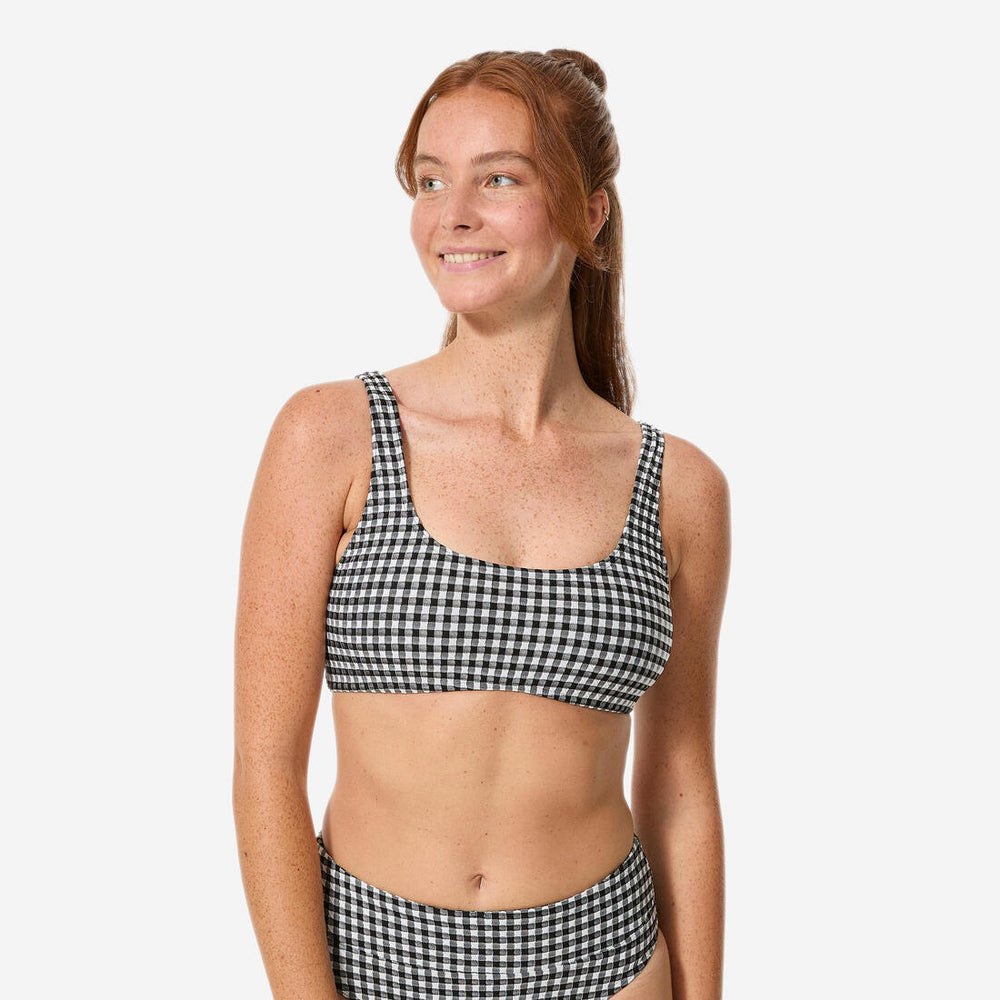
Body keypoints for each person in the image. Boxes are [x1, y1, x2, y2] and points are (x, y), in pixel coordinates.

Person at [233, 48, 729, 1000]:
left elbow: (680, 786)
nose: (452, 214)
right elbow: (265, 768)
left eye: (499, 179)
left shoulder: (680, 490)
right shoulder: (332, 437)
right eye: (431, 181)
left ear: (590, 213)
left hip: (608, 966)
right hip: (374, 962)